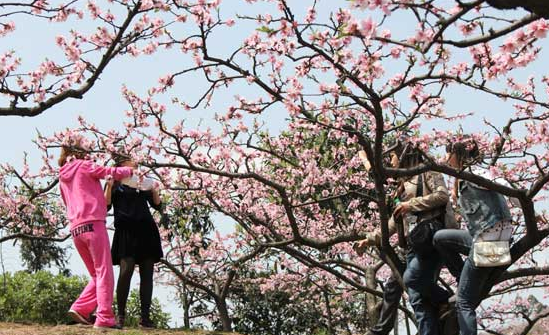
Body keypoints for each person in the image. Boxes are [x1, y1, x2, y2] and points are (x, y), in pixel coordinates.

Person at [356, 141, 458, 335]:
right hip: (413, 243)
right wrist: (369, 238)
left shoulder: (429, 172)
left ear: (404, 155)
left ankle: (445, 299)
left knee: (412, 280)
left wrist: (411, 204)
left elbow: (442, 196)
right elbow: (396, 222)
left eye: (393, 155)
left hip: (431, 239)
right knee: (417, 299)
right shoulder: (402, 186)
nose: (391, 160)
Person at [433, 138, 517, 335]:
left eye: (448, 152)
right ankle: (463, 275)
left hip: (490, 242)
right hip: (486, 237)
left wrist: (527, 204)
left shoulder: (474, 172)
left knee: (464, 303)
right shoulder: (463, 179)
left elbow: (503, 185)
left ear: (458, 153)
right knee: (440, 238)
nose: (445, 158)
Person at [58, 141, 133, 329]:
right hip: (93, 224)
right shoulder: (84, 165)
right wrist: (129, 171)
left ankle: (81, 308)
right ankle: (105, 318)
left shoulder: (62, 177)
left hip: (76, 229)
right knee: (104, 272)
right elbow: (110, 172)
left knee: (96, 274)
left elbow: (66, 201)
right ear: (80, 152)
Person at [105, 156, 163, 328]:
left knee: (147, 275)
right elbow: (106, 205)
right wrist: (108, 186)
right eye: (131, 160)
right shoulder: (114, 181)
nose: (136, 163)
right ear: (122, 164)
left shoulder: (142, 180)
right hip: (125, 232)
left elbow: (158, 205)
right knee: (126, 271)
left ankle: (145, 318)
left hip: (146, 231)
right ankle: (120, 315)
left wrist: (154, 189)